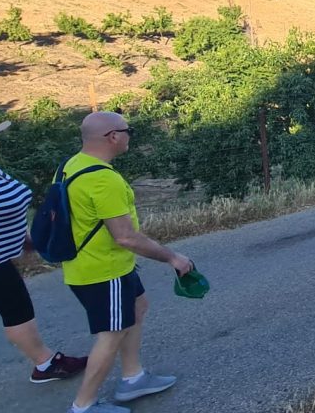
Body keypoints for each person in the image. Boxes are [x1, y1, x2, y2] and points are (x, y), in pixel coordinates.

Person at [63, 112, 194, 413]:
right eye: (127, 130)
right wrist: (173, 257)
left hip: (105, 264)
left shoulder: (73, 165)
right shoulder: (102, 179)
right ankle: (82, 406)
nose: (129, 136)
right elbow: (126, 237)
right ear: (113, 136)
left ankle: (133, 378)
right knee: (111, 335)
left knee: (137, 306)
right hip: (102, 269)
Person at [0, 114, 87, 392]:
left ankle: (45, 363)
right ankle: (46, 363)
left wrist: (25, 239)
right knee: (17, 310)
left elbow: (1, 211)